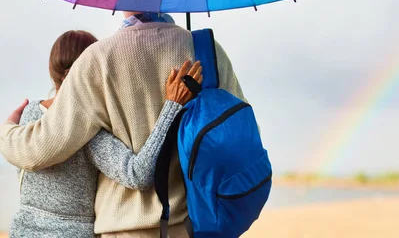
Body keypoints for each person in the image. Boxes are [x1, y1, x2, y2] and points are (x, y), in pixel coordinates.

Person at [0, 12, 246, 237]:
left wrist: (7, 129)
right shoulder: (207, 50)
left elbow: (37, 150)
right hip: (189, 221)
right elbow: (242, 137)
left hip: (117, 227)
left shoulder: (96, 61)